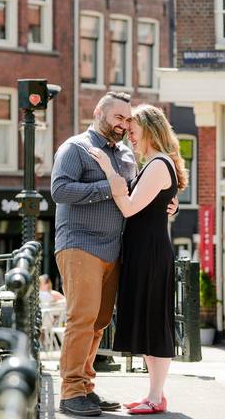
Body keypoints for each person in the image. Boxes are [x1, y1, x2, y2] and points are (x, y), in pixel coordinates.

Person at [51, 92, 176, 417]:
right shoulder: (75, 148)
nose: (123, 125)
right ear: (99, 113)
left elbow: (140, 195)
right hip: (80, 244)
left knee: (99, 323)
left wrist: (167, 205)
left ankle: (86, 388)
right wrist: (110, 186)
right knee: (81, 319)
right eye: (118, 117)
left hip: (115, 249)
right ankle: (70, 392)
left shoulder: (125, 156)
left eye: (127, 120)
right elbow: (59, 190)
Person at [89, 104, 188, 415]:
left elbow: (130, 207)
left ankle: (156, 397)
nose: (130, 136)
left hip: (150, 253)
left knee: (155, 321)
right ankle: (153, 394)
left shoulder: (158, 164)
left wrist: (108, 170)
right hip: (145, 251)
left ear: (150, 131)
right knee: (148, 320)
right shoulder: (156, 164)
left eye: (134, 132)